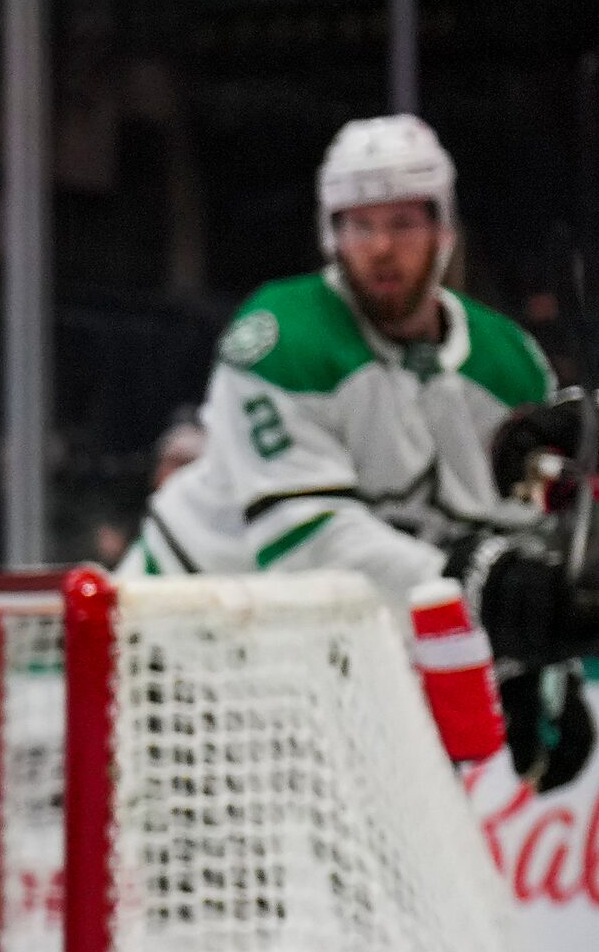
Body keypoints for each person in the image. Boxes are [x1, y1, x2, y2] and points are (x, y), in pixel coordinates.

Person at [129, 114, 592, 787]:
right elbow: (307, 547)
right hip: (191, 638)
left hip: (341, 656)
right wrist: (482, 595)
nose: (380, 248)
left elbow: (516, 541)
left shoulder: (509, 365)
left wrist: (535, 663)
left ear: (444, 230)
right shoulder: (279, 338)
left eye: (403, 223)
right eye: (359, 224)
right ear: (331, 234)